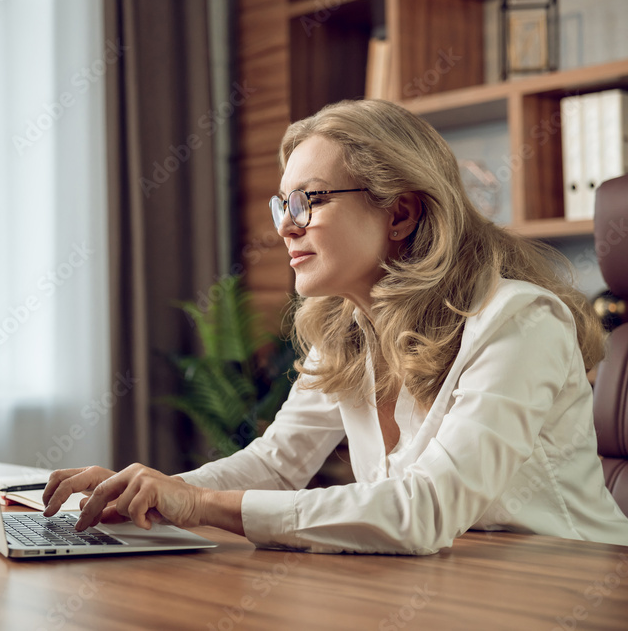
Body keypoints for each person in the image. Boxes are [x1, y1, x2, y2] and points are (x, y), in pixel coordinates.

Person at [42, 99, 628, 554]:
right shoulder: (347, 330)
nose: (286, 228)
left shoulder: (518, 324)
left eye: (309, 202)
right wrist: (151, 490)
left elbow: (424, 510)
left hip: (571, 585)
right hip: (452, 582)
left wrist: (201, 504)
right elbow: (275, 464)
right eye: (282, 206)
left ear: (400, 212)